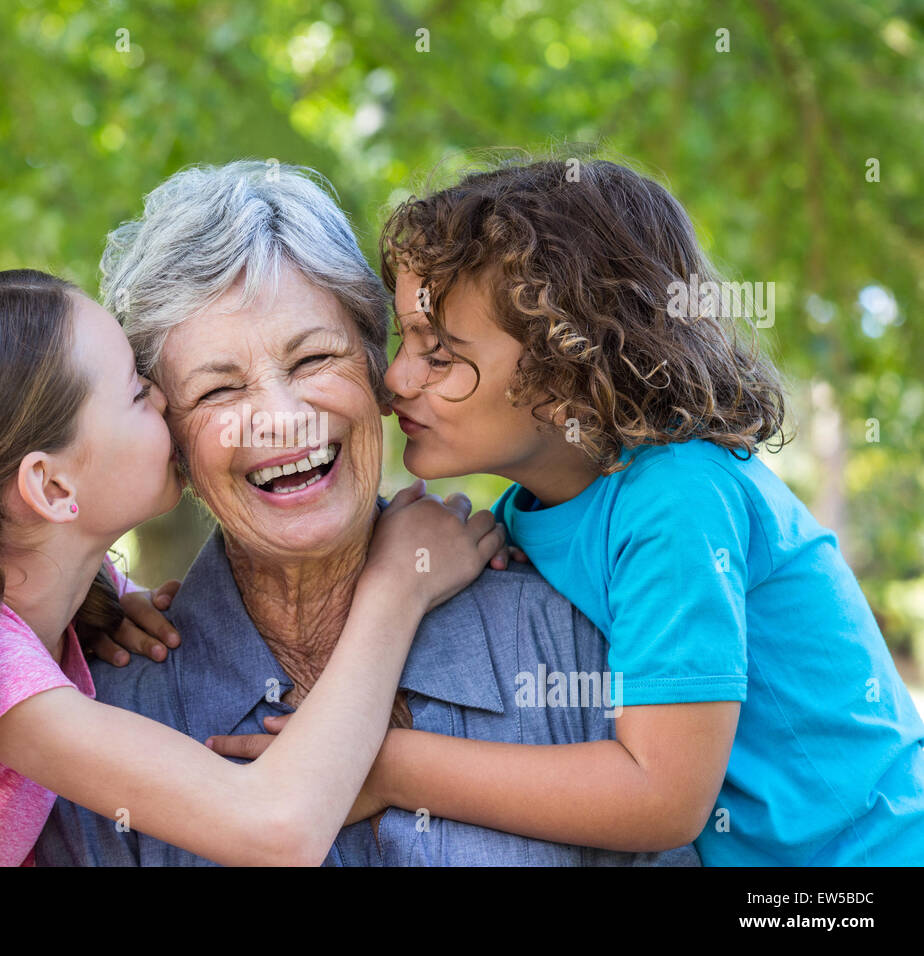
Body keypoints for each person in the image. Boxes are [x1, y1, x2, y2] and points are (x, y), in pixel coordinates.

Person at [0, 268, 503, 866]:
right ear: (52, 486)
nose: (166, 401)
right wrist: (397, 589)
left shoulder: (13, 609)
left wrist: (100, 599)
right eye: (135, 393)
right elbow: (276, 828)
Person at [37, 161, 700, 866]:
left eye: (315, 358)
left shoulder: (565, 631)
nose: (282, 421)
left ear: (378, 367)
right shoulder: (104, 715)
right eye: (218, 391)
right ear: (167, 439)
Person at [350, 157, 924, 864]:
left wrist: (387, 767)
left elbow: (661, 798)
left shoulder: (677, 494)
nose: (395, 378)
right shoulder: (526, 511)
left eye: (439, 354)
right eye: (404, 340)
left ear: (569, 372)